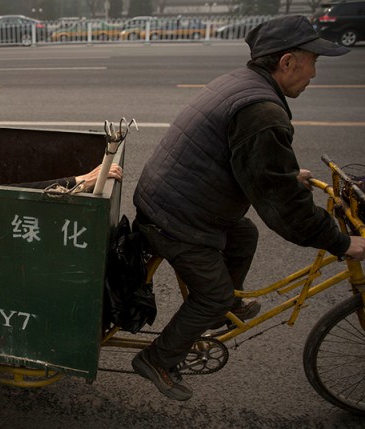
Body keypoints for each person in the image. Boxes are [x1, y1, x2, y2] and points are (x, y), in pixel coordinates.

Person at [131, 15, 365, 402]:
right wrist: (342, 242)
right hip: (175, 218)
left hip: (174, 200)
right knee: (213, 294)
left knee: (245, 234)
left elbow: (249, 160)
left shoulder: (244, 82)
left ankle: (224, 308)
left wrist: (288, 173)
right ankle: (157, 359)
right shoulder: (262, 111)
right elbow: (285, 208)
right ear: (287, 62)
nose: (315, 73)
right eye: (313, 61)